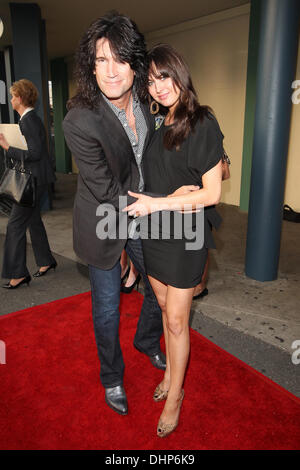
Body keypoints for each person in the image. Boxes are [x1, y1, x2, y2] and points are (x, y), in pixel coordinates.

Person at [62, 13, 197, 417]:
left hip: (147, 213)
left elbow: (178, 132)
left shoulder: (146, 97)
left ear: (134, 63)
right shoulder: (79, 119)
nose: (110, 71)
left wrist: (209, 160)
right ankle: (112, 377)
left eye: (119, 59)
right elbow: (105, 189)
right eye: (100, 60)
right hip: (105, 219)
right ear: (91, 65)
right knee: (106, 308)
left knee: (162, 295)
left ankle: (145, 340)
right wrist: (164, 203)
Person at [124, 44, 223, 437]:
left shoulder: (203, 121)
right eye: (150, 80)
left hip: (185, 235)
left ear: (179, 74)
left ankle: (176, 394)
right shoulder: (158, 126)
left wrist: (167, 201)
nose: (158, 86)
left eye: (163, 76)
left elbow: (213, 192)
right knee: (165, 310)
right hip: (155, 233)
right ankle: (171, 376)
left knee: (178, 320)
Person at [0, 79, 56, 289]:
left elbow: (34, 153)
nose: (12, 99)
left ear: (20, 99)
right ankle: (46, 261)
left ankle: (18, 274)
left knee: (14, 226)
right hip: (37, 179)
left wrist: (7, 147)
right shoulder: (30, 119)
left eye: (14, 96)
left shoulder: (28, 121)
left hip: (31, 180)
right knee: (33, 220)